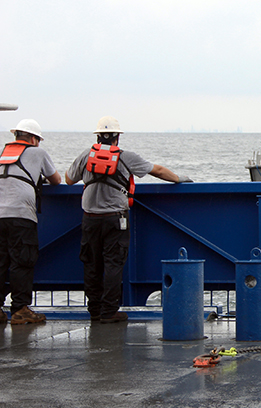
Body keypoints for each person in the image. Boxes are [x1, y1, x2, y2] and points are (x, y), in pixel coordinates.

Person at [65, 116, 192, 323]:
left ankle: (94, 310)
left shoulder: (85, 156)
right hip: (116, 219)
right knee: (113, 265)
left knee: (91, 265)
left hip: (90, 219)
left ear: (97, 137)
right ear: (117, 138)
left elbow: (69, 180)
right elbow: (157, 171)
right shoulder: (126, 157)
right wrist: (178, 179)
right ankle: (109, 312)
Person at [0, 119, 61, 325]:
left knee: (0, 262)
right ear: (34, 139)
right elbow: (56, 180)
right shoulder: (38, 153)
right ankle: (20, 309)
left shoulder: (2, 154)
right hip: (21, 216)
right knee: (22, 262)